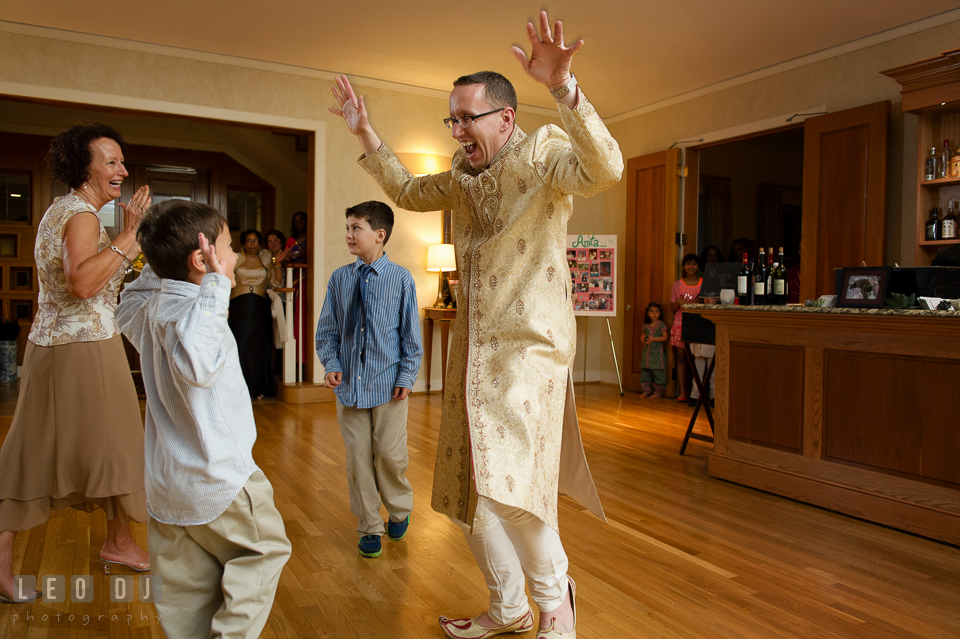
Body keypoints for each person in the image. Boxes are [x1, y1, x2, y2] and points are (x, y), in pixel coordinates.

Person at [330, 11, 620, 638]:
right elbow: (406, 192)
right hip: (473, 351)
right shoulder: (462, 177)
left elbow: (607, 169)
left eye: (468, 117)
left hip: (531, 350)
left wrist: (566, 91)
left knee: (509, 485)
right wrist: (366, 133)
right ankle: (509, 606)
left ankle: (555, 608)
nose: (458, 128)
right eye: (452, 117)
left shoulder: (543, 155)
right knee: (467, 490)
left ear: (505, 118)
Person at [116, 200, 291, 638]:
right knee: (265, 551)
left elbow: (126, 302)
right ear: (203, 259)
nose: (232, 256)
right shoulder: (194, 314)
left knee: (186, 594)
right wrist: (215, 283)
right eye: (228, 247)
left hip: (169, 487)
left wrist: (159, 253)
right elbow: (198, 364)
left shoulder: (152, 309)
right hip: (219, 480)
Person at [0, 123, 152, 603]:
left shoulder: (68, 210)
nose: (121, 170)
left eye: (121, 161)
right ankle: (4, 567)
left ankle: (119, 541)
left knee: (110, 445)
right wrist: (129, 236)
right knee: (39, 454)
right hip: (80, 350)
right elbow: (82, 284)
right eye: (110, 161)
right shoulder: (83, 216)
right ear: (82, 166)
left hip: (62, 344)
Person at [315, 201, 423, 559]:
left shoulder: (402, 280)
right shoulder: (339, 279)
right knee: (357, 459)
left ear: (379, 234)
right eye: (347, 227)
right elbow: (326, 331)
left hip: (389, 387)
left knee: (390, 454)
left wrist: (407, 377)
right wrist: (331, 363)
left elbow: (411, 339)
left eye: (355, 228)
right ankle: (369, 527)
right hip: (348, 388)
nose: (348, 234)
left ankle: (398, 509)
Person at [229, 229, 279, 399]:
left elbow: (275, 282)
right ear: (243, 244)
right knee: (241, 346)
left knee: (259, 348)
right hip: (239, 308)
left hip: (259, 307)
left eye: (255, 241)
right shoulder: (235, 258)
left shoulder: (267, 258)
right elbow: (227, 280)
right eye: (249, 241)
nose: (252, 244)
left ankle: (258, 388)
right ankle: (239, 389)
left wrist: (277, 264)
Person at [670, 253, 703, 403]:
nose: (691, 267)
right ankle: (683, 391)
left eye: (694, 264)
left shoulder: (704, 283)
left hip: (698, 324)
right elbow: (672, 307)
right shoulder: (677, 285)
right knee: (682, 358)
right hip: (680, 324)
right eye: (688, 264)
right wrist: (679, 302)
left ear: (699, 267)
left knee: (698, 358)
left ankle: (698, 392)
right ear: (683, 267)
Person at [284, 212, 310, 369]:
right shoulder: (291, 240)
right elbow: (283, 260)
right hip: (293, 278)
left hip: (305, 278)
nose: (299, 223)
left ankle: (303, 358)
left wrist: (302, 251)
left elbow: (311, 257)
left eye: (302, 220)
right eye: (296, 221)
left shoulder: (311, 238)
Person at [639, 303, 668, 399]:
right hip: (647, 353)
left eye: (657, 311)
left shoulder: (661, 325)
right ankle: (647, 391)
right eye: (652, 311)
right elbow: (643, 335)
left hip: (657, 353)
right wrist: (643, 337)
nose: (654, 313)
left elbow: (665, 337)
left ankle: (658, 392)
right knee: (646, 371)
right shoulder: (646, 326)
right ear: (648, 314)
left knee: (658, 372)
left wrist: (653, 339)